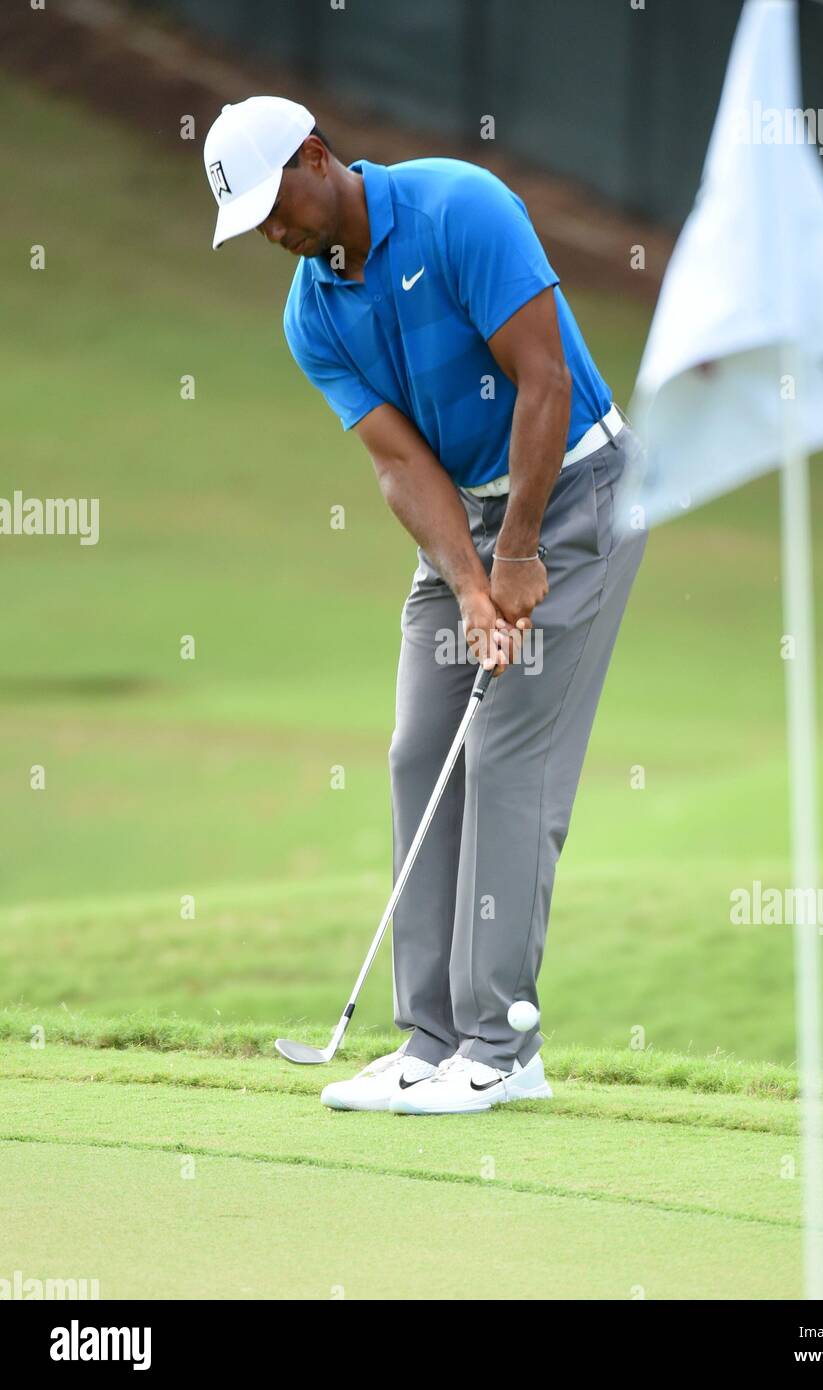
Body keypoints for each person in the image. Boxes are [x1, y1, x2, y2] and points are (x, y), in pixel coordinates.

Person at [203, 96, 647, 1115]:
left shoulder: (460, 209)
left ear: (315, 159)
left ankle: (502, 1048)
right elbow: (399, 463)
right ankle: (428, 1039)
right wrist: (469, 583)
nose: (275, 235)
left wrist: (522, 554)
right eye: (256, 227)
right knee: (420, 751)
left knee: (505, 757)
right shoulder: (312, 310)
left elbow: (542, 384)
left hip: (579, 490)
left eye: (276, 206)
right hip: (467, 516)